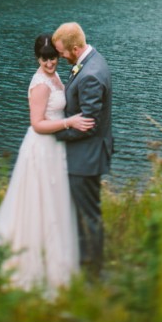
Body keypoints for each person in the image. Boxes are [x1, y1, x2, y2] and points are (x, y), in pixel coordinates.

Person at [0, 34, 94, 293]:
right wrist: (69, 122)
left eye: (53, 57)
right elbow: (38, 124)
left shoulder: (55, 77)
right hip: (41, 148)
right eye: (45, 59)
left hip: (55, 148)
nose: (51, 63)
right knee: (39, 202)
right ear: (37, 58)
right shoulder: (41, 84)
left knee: (55, 202)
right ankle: (32, 263)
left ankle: (55, 261)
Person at [52, 22, 114, 278]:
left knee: (88, 214)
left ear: (75, 49)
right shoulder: (92, 61)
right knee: (84, 212)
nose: (60, 57)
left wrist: (55, 132)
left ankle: (93, 272)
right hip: (86, 153)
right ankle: (86, 263)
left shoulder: (90, 75)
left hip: (86, 156)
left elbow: (88, 124)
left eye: (63, 53)